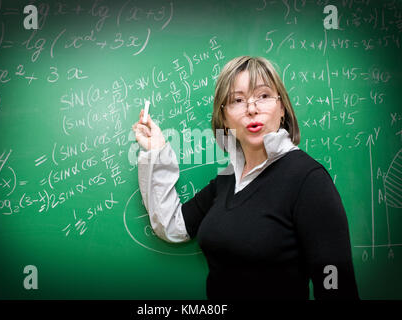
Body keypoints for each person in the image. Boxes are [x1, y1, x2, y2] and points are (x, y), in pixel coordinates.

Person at [131, 56, 359, 300]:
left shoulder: (308, 180)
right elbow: (174, 227)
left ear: (282, 109)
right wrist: (157, 150)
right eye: (237, 100)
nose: (252, 109)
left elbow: (337, 287)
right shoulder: (229, 179)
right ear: (225, 119)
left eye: (263, 96)